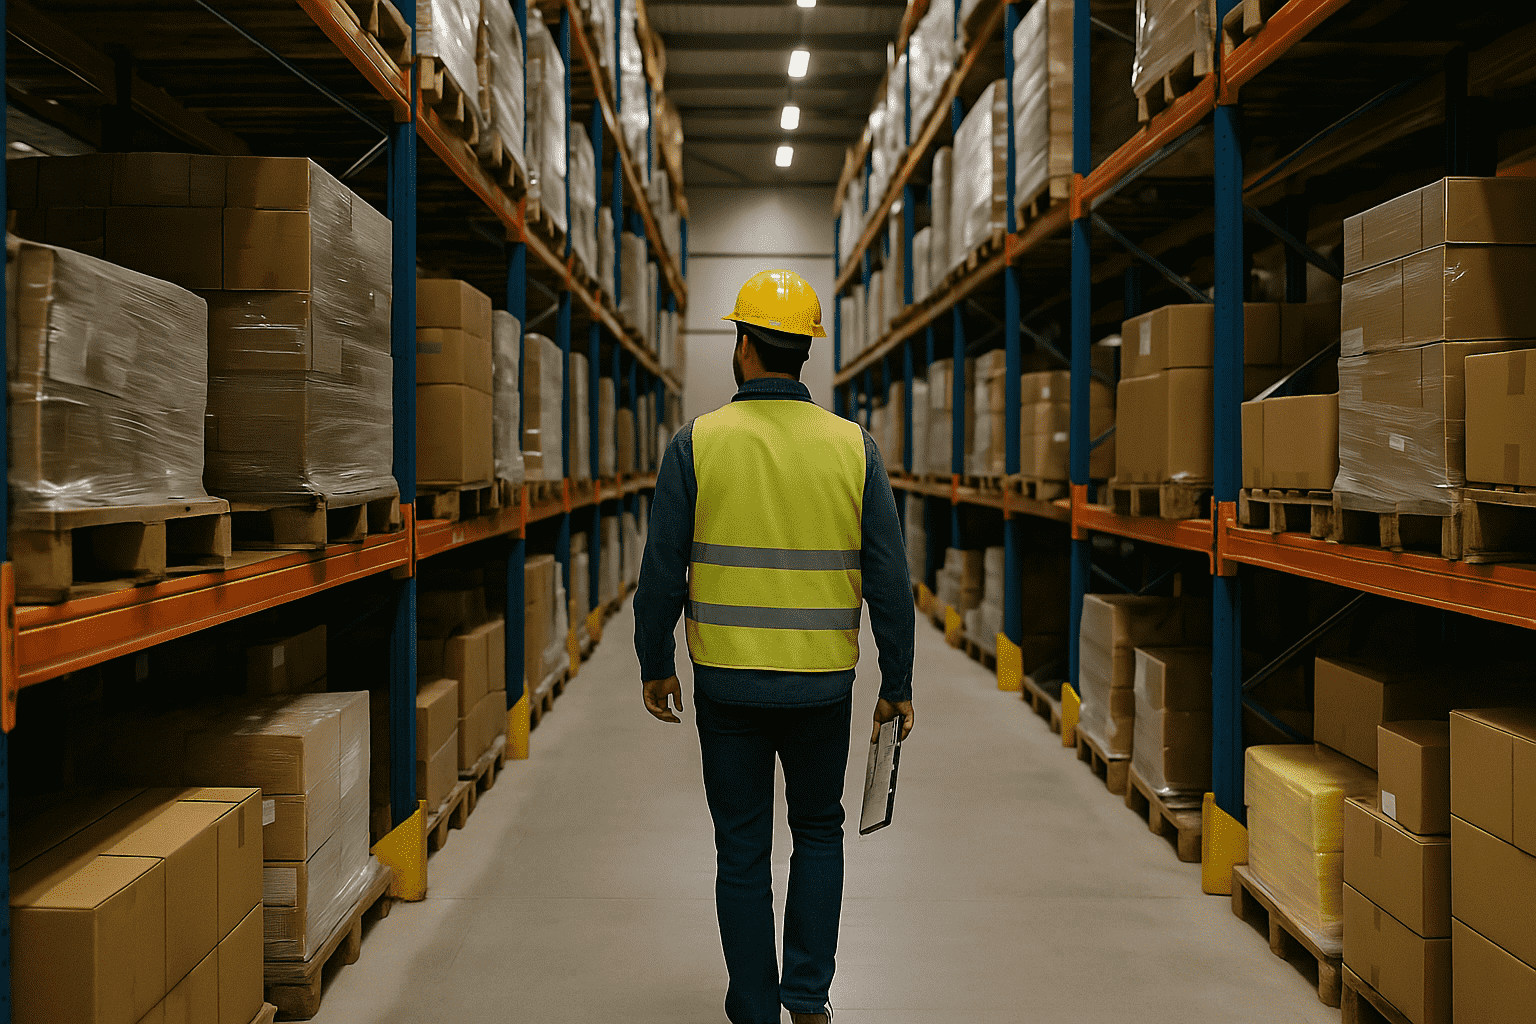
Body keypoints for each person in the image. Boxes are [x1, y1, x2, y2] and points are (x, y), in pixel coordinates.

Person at [633, 269, 916, 1024]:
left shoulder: (697, 444)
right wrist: (899, 678)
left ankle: (754, 1006)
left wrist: (654, 662)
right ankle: (807, 999)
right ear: (807, 352)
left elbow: (660, 572)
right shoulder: (853, 448)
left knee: (742, 851)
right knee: (819, 835)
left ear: (744, 345)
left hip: (728, 688)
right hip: (822, 687)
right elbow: (891, 580)